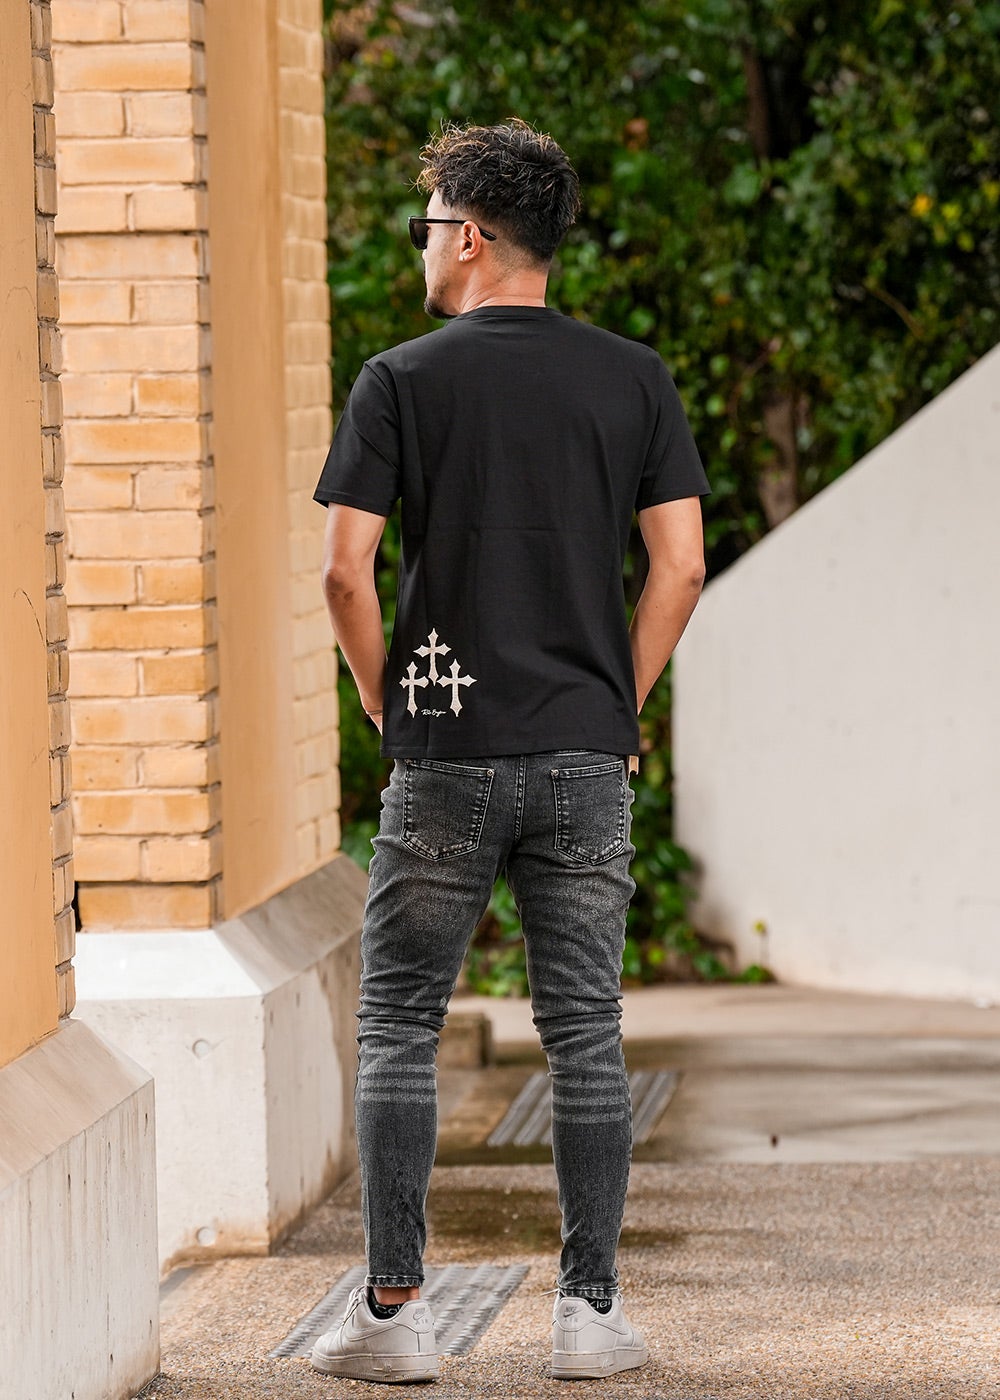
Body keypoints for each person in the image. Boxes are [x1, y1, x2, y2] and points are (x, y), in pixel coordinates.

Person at [310, 118, 708, 1384]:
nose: (421, 246)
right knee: (585, 1027)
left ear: (472, 237)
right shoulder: (633, 379)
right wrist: (613, 703)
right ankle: (589, 1313)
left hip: (445, 743)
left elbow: (344, 571)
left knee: (398, 1020)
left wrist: (382, 698)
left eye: (427, 224)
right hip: (584, 751)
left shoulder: (399, 380)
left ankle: (395, 1314)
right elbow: (680, 565)